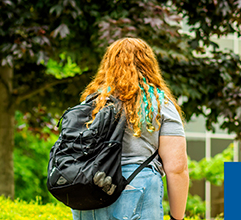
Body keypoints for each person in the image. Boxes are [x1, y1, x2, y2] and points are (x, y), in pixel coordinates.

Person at [72, 38, 189, 220]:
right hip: (137, 185)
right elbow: (177, 168)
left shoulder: (92, 102)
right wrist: (177, 217)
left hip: (90, 189)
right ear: (149, 64)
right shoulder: (159, 104)